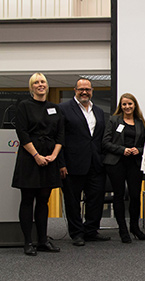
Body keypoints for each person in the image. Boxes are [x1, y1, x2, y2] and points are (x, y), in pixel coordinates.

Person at [12, 73, 63, 256]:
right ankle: (28, 242)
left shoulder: (54, 108)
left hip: (50, 158)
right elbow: (22, 133)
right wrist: (36, 155)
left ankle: (42, 241)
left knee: (44, 200)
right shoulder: (24, 106)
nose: (40, 85)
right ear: (31, 87)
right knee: (27, 201)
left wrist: (53, 156)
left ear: (47, 86)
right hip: (29, 158)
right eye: (36, 83)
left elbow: (60, 135)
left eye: (43, 82)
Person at [58, 77, 109, 246]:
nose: (84, 92)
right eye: (81, 89)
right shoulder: (63, 109)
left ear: (92, 91)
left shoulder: (99, 111)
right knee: (72, 201)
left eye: (88, 89)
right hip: (73, 164)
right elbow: (59, 138)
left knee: (96, 199)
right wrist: (61, 163)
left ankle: (91, 230)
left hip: (96, 163)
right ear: (75, 90)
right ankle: (77, 233)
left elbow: (100, 138)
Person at [102, 93, 145, 243]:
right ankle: (123, 230)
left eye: (130, 104)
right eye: (124, 104)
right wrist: (122, 150)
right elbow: (105, 142)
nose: (127, 107)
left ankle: (134, 227)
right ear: (120, 106)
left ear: (134, 105)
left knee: (135, 196)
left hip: (134, 163)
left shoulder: (140, 122)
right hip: (117, 163)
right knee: (119, 195)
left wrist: (138, 150)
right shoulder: (114, 120)